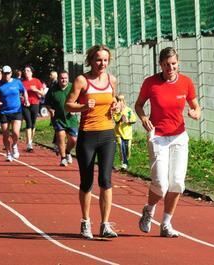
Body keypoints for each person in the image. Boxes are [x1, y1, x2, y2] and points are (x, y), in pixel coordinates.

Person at [135, 47, 201, 237]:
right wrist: (143, 117)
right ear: (160, 65)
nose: (170, 68)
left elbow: (196, 106)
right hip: (158, 137)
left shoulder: (186, 82)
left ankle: (166, 224)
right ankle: (149, 209)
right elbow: (139, 104)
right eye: (166, 65)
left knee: (177, 183)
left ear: (177, 63)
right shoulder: (151, 83)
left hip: (179, 136)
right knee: (161, 184)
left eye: (173, 64)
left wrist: (195, 113)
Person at [66, 45, 118, 239]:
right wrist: (83, 106)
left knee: (106, 180)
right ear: (91, 60)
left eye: (105, 60)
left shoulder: (111, 80)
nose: (102, 64)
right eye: (98, 60)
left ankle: (105, 224)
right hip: (88, 135)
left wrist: (116, 106)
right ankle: (85, 221)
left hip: (107, 135)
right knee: (87, 181)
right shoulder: (82, 80)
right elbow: (68, 105)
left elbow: (113, 102)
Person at [0, 65, 29, 161]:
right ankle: (8, 153)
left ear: (11, 73)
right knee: (5, 134)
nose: (6, 75)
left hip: (16, 110)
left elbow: (24, 90)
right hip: (4, 111)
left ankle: (14, 145)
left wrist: (26, 100)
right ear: (2, 74)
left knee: (16, 133)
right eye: (5, 73)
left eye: (8, 73)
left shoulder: (17, 82)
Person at [45, 70, 78, 166]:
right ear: (58, 79)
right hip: (58, 118)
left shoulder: (73, 87)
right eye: (62, 78)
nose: (64, 80)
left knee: (73, 139)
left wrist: (75, 107)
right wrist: (50, 110)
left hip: (71, 118)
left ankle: (67, 152)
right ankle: (63, 158)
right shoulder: (53, 89)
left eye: (65, 78)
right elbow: (46, 103)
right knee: (61, 136)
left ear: (68, 79)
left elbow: (80, 100)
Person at [22, 65, 44, 152]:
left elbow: (42, 94)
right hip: (25, 104)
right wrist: (22, 98)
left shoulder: (37, 81)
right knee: (28, 122)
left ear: (31, 72)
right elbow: (20, 93)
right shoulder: (22, 82)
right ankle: (29, 143)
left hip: (35, 103)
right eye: (25, 71)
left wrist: (36, 90)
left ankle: (30, 141)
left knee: (33, 123)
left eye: (28, 70)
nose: (26, 72)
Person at [113, 94, 136, 170]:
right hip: (119, 133)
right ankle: (124, 162)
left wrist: (128, 121)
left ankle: (126, 160)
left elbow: (134, 119)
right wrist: (120, 114)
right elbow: (116, 120)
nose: (120, 102)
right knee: (121, 146)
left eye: (121, 100)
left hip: (127, 133)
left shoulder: (129, 110)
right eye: (118, 100)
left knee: (128, 148)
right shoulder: (116, 111)